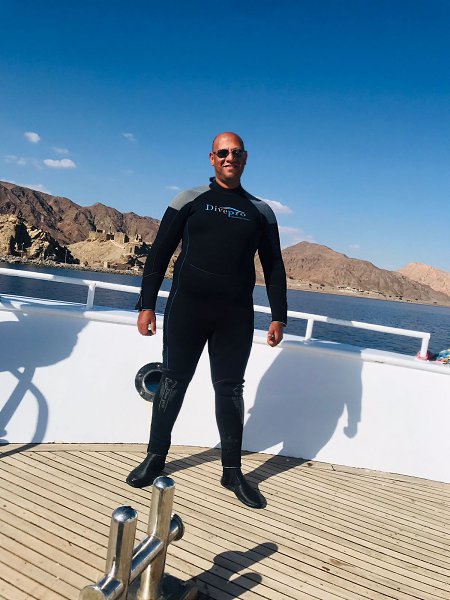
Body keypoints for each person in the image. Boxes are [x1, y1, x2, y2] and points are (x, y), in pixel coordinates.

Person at [126, 132, 287, 509]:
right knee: (172, 380)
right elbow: (160, 251)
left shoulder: (260, 211)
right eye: (223, 152)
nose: (230, 157)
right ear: (212, 158)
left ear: (245, 158)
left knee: (230, 390)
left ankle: (232, 471)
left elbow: (274, 267)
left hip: (235, 315)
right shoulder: (190, 199)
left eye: (236, 152)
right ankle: (155, 458)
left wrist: (278, 315)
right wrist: (146, 304)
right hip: (187, 307)